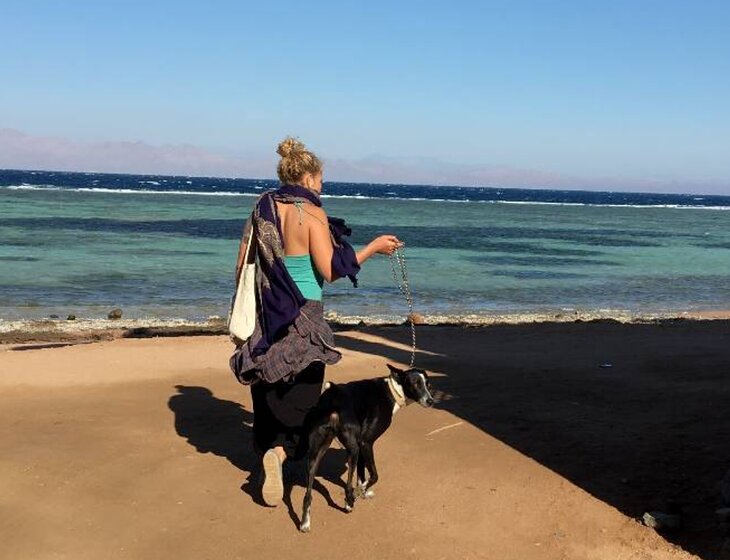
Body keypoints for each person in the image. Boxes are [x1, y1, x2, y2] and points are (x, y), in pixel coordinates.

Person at [229, 137, 402, 507]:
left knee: (267, 382)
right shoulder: (311, 214)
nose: (322, 185)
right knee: (307, 394)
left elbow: (242, 261)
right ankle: (279, 454)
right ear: (307, 177)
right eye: (321, 179)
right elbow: (330, 270)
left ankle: (268, 452)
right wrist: (373, 248)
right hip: (303, 311)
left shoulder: (263, 206)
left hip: (267, 310)